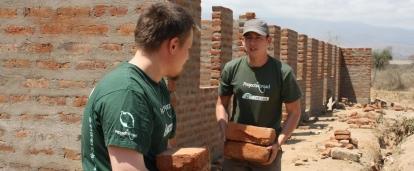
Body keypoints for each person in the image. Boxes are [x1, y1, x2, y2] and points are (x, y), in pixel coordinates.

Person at [81, 2, 195, 171]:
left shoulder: (157, 85)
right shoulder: (128, 94)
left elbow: (162, 150)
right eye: (188, 49)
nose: (188, 57)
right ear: (173, 45)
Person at [216, 19, 302, 171]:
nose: (252, 43)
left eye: (258, 38)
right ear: (242, 41)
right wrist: (224, 131)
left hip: (267, 151)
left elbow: (294, 112)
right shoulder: (232, 68)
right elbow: (221, 104)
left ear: (268, 41)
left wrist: (278, 143)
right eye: (248, 37)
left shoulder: (283, 72)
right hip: (236, 149)